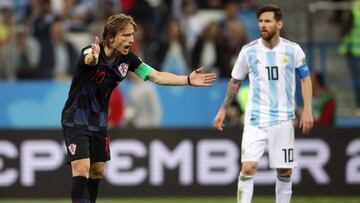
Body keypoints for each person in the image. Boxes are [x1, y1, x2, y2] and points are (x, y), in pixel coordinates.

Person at [61, 13, 216, 203]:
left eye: (132, 35)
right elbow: (88, 60)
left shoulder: (128, 60)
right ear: (110, 37)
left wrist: (187, 80)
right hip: (76, 118)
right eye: (126, 35)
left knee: (97, 171)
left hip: (99, 122)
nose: (131, 40)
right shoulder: (91, 51)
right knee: (82, 169)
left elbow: (155, 76)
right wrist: (92, 58)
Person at [213, 4, 313, 203]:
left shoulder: (293, 51)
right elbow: (235, 82)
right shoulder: (248, 51)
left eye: (267, 21)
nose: (263, 25)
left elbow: (305, 79)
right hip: (255, 118)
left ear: (279, 24)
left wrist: (308, 109)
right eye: (260, 21)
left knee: (284, 171)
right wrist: (223, 109)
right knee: (248, 167)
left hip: (283, 119)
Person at [338, 0, 360, 111]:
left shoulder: (353, 10)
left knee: (357, 80)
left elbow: (344, 31)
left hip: (354, 51)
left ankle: (358, 106)